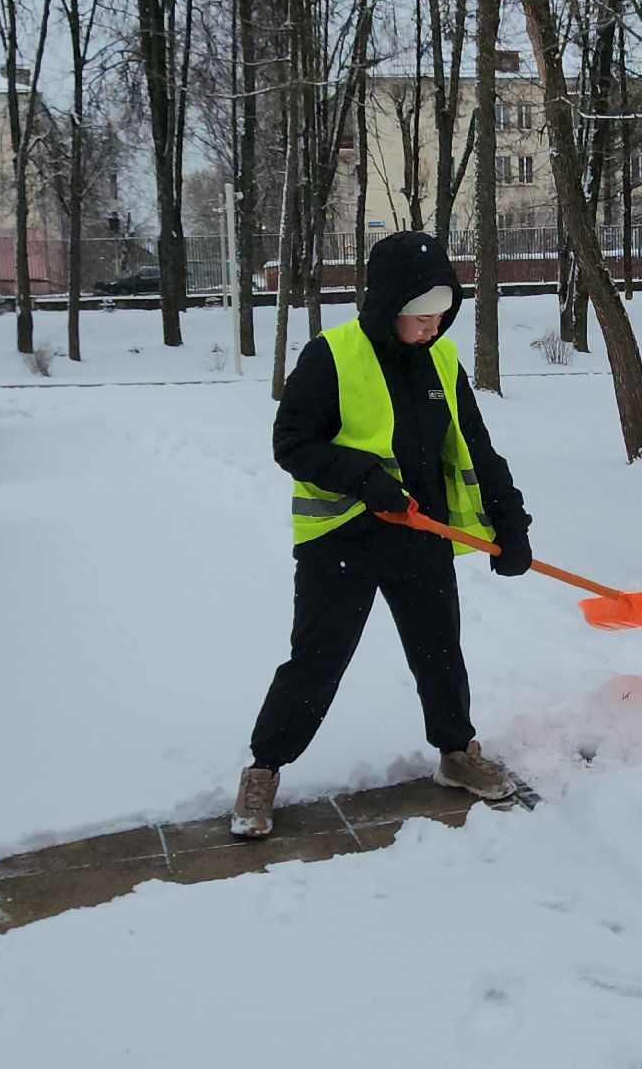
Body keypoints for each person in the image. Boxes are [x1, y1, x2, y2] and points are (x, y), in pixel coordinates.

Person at [231, 231, 533, 838]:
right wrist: (364, 479)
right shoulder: (332, 354)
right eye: (420, 317)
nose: (431, 329)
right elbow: (291, 443)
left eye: (440, 317)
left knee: (440, 655)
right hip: (341, 539)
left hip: (421, 536)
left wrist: (511, 520)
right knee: (317, 662)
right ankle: (264, 768)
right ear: (389, 305)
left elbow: (476, 446)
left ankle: (456, 753)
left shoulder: (442, 360)